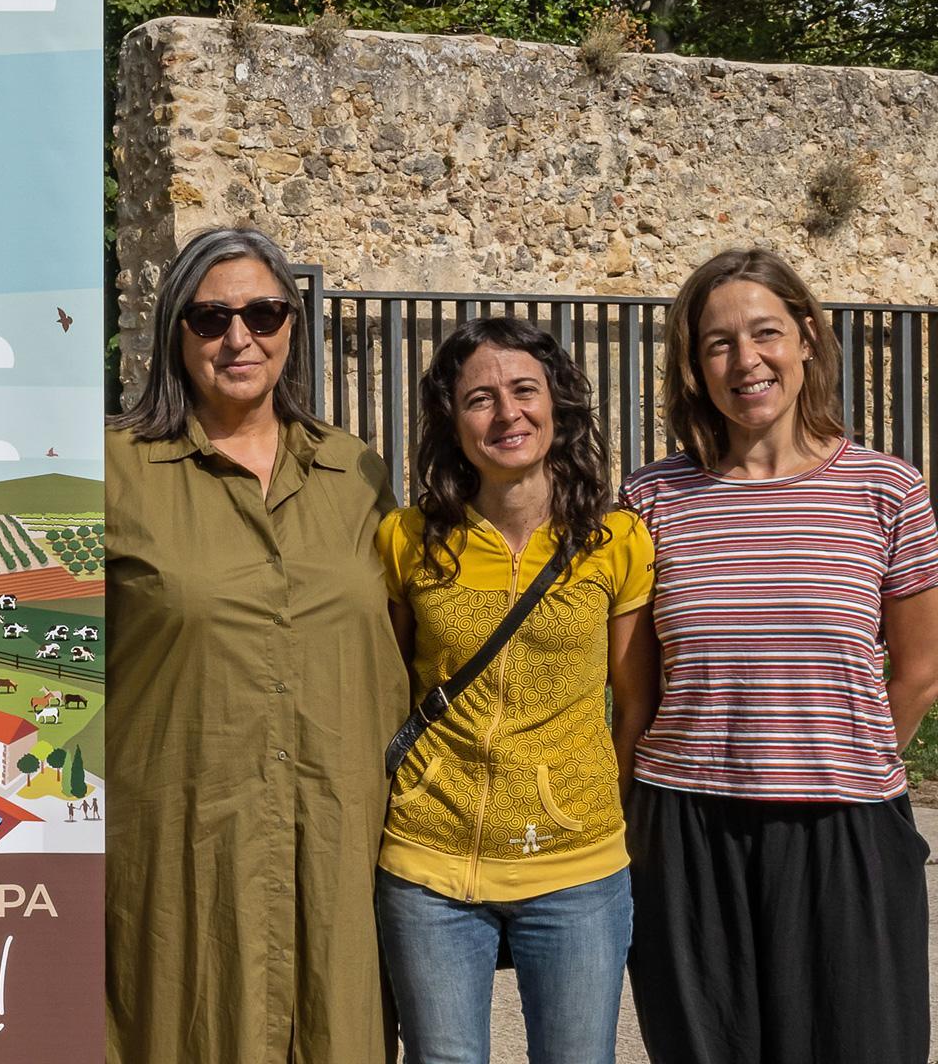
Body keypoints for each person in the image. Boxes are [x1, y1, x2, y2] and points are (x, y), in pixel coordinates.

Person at [621, 249, 938, 1063]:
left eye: (765, 333)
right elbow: (636, 691)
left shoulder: (887, 490)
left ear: (806, 338)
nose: (745, 360)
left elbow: (918, 671)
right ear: (694, 366)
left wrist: (837, 761)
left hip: (845, 830)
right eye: (717, 343)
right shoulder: (651, 500)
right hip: (687, 829)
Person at [106, 226, 407, 1063]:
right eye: (210, 319)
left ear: (291, 326)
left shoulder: (358, 476)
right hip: (180, 850)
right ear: (176, 333)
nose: (240, 338)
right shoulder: (115, 472)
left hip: (336, 847)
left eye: (263, 313)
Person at [374, 318, 657, 1064]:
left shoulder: (615, 541)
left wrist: (587, 797)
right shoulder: (406, 540)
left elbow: (634, 701)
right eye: (480, 399)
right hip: (428, 865)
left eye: (524, 390)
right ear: (452, 421)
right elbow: (387, 687)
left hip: (576, 870)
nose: (507, 415)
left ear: (557, 404)